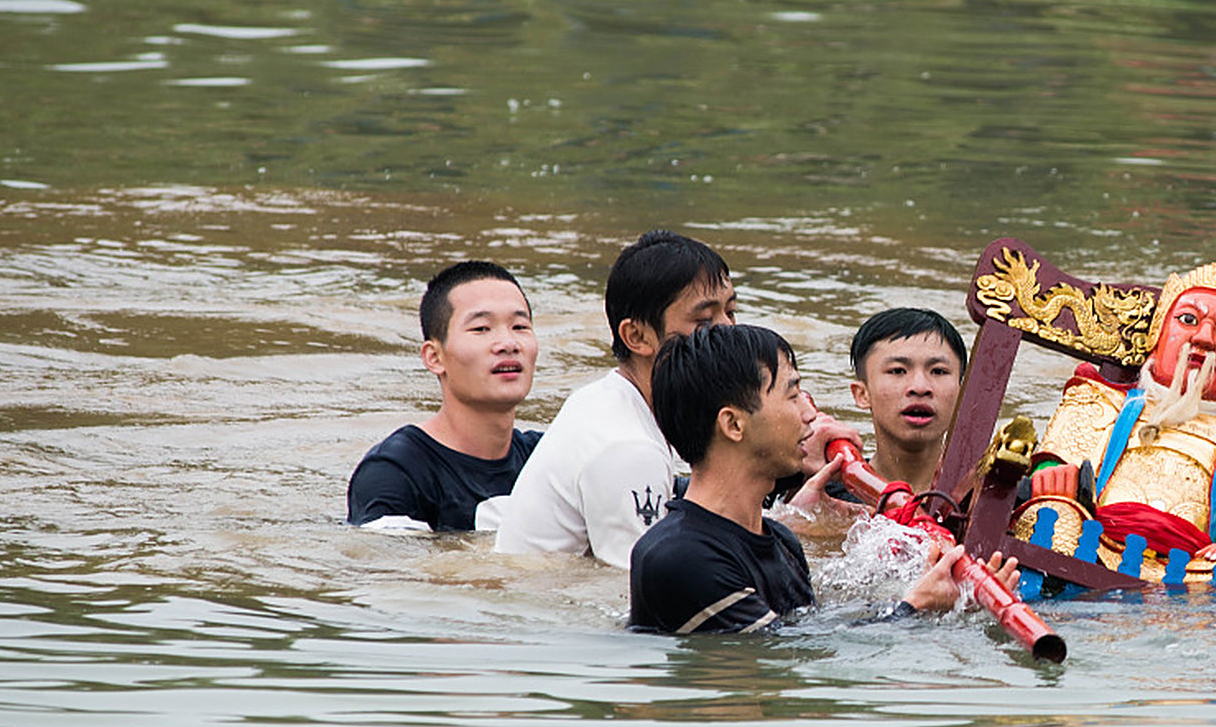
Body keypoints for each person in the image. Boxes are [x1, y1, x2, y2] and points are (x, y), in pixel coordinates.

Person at [629, 323, 1016, 635]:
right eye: (793, 393)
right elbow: (793, 661)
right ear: (733, 424)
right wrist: (916, 606)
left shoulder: (780, 540)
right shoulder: (681, 559)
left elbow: (813, 632)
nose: (810, 415)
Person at [1013, 261, 1216, 583]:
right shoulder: (1099, 399)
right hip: (1090, 548)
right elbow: (1051, 471)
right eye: (1188, 320)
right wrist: (1052, 480)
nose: (1203, 339)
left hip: (1185, 575)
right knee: (1053, 516)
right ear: (1158, 333)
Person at [495, 230, 736, 566]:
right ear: (636, 336)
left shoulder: (607, 398)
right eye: (705, 320)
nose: (729, 332)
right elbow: (639, 591)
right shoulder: (628, 447)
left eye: (731, 312)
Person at [346, 260, 541, 532]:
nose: (508, 344)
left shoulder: (548, 459)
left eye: (519, 327)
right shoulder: (395, 473)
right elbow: (389, 570)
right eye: (481, 329)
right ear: (435, 357)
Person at [846, 307, 966, 492]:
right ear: (862, 394)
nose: (920, 387)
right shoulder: (824, 495)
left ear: (963, 393)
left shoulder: (1002, 498)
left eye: (938, 371)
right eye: (897, 371)